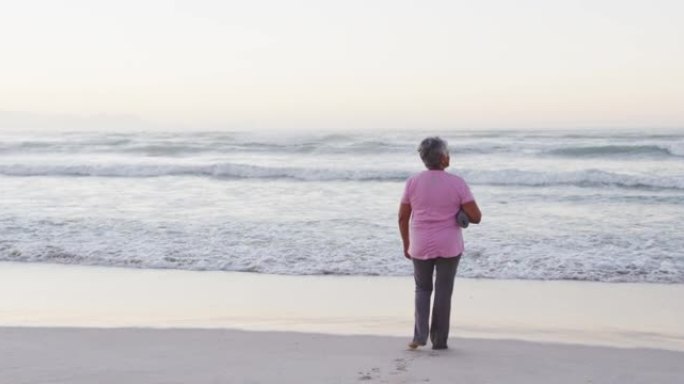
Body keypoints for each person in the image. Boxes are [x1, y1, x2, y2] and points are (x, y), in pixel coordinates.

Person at [398, 137, 481, 350]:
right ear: (443, 158)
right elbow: (476, 216)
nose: (449, 156)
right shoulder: (457, 183)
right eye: (448, 153)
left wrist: (406, 243)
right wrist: (461, 213)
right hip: (449, 245)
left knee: (422, 289)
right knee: (443, 291)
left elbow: (402, 217)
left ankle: (419, 337)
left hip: (420, 243)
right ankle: (439, 341)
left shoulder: (413, 182)